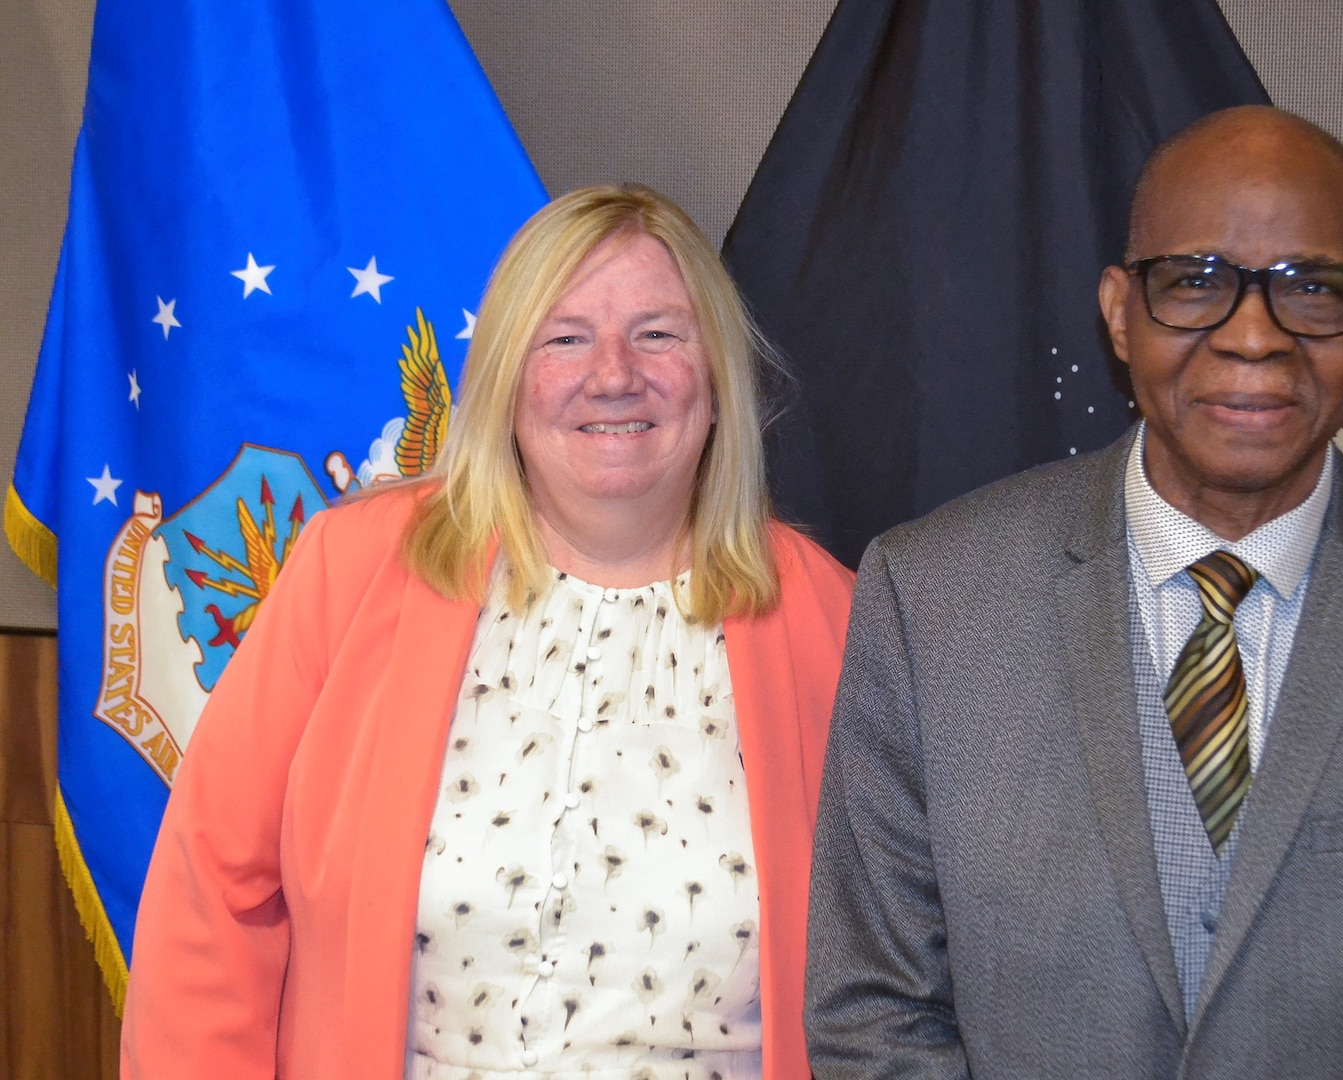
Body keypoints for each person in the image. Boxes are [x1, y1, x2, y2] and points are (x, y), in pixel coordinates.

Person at [804, 106, 1343, 1078]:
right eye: (1197, 283)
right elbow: (872, 1011)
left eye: (1313, 289)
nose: (1255, 337)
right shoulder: (930, 599)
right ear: (1118, 311)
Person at [121, 184, 854, 1079]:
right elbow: (213, 898)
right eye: (566, 337)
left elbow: (894, 977)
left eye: (658, 333)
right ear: (506, 376)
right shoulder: (348, 573)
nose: (614, 373)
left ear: (718, 380)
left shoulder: (836, 624)